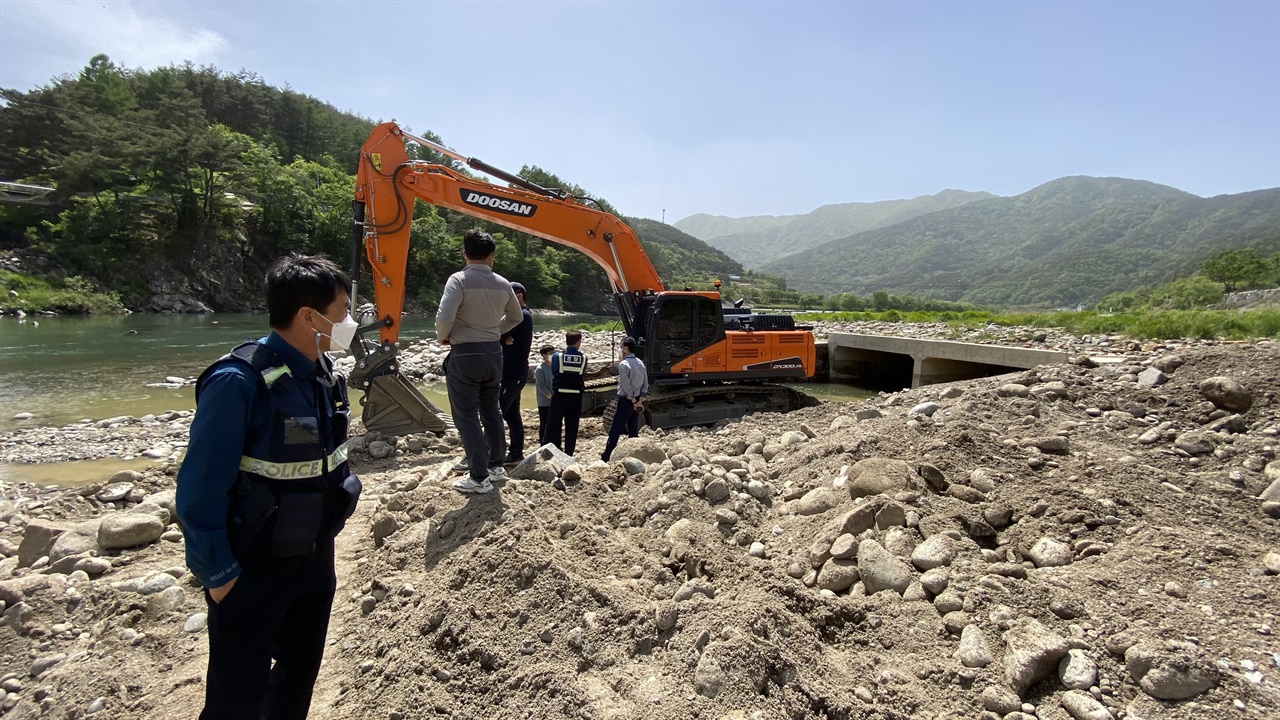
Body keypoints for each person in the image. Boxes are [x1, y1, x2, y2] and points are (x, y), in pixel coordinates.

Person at [176, 253, 362, 720]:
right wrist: (218, 574)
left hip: (314, 560)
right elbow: (199, 489)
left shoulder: (322, 376)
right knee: (237, 695)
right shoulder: (238, 382)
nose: (348, 322)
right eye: (342, 310)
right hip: (252, 569)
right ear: (308, 316)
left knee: (297, 679)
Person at [437, 229, 522, 493]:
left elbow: (445, 316)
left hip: (465, 354)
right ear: (492, 256)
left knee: (465, 415)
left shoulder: (458, 280)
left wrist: (444, 337)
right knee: (491, 409)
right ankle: (496, 466)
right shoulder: (503, 283)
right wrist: (495, 331)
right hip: (493, 354)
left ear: (465, 254)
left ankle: (478, 476)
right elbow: (516, 317)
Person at [499, 281, 534, 462]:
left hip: (514, 373)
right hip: (512, 372)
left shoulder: (522, 316)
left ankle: (492, 453)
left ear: (519, 296)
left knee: (497, 412)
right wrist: (504, 337)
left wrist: (503, 337)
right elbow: (501, 335)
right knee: (512, 415)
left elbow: (495, 334)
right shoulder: (517, 317)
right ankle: (515, 453)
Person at [602, 336, 649, 462]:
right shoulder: (640, 363)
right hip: (638, 399)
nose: (620, 348)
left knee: (615, 428)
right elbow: (645, 383)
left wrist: (632, 401)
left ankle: (607, 455)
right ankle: (633, 454)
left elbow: (626, 385)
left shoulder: (624, 364)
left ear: (626, 349)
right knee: (633, 428)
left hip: (626, 400)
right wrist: (640, 401)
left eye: (621, 346)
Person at [542, 330, 587, 456]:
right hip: (576, 397)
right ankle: (568, 455)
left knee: (552, 424)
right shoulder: (583, 358)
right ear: (578, 342)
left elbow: (555, 371)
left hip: (560, 396)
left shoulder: (557, 357)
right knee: (572, 427)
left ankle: (545, 452)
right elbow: (582, 373)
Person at [534, 344, 555, 445]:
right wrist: (551, 397)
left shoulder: (556, 367)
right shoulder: (540, 369)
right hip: (544, 402)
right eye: (549, 353)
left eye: (553, 353)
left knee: (554, 423)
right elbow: (541, 386)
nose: (551, 355)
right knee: (544, 423)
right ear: (543, 355)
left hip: (555, 400)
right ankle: (543, 443)